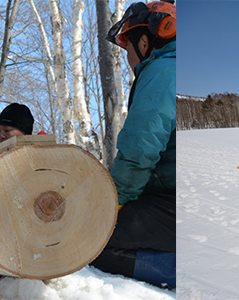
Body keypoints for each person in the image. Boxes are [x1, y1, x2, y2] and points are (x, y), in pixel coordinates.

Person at [88, 0, 177, 288]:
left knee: (95, 242)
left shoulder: (161, 71)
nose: (127, 57)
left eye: (127, 48)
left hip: (172, 201)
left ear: (144, 41)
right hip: (168, 194)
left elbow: (140, 150)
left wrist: (113, 202)